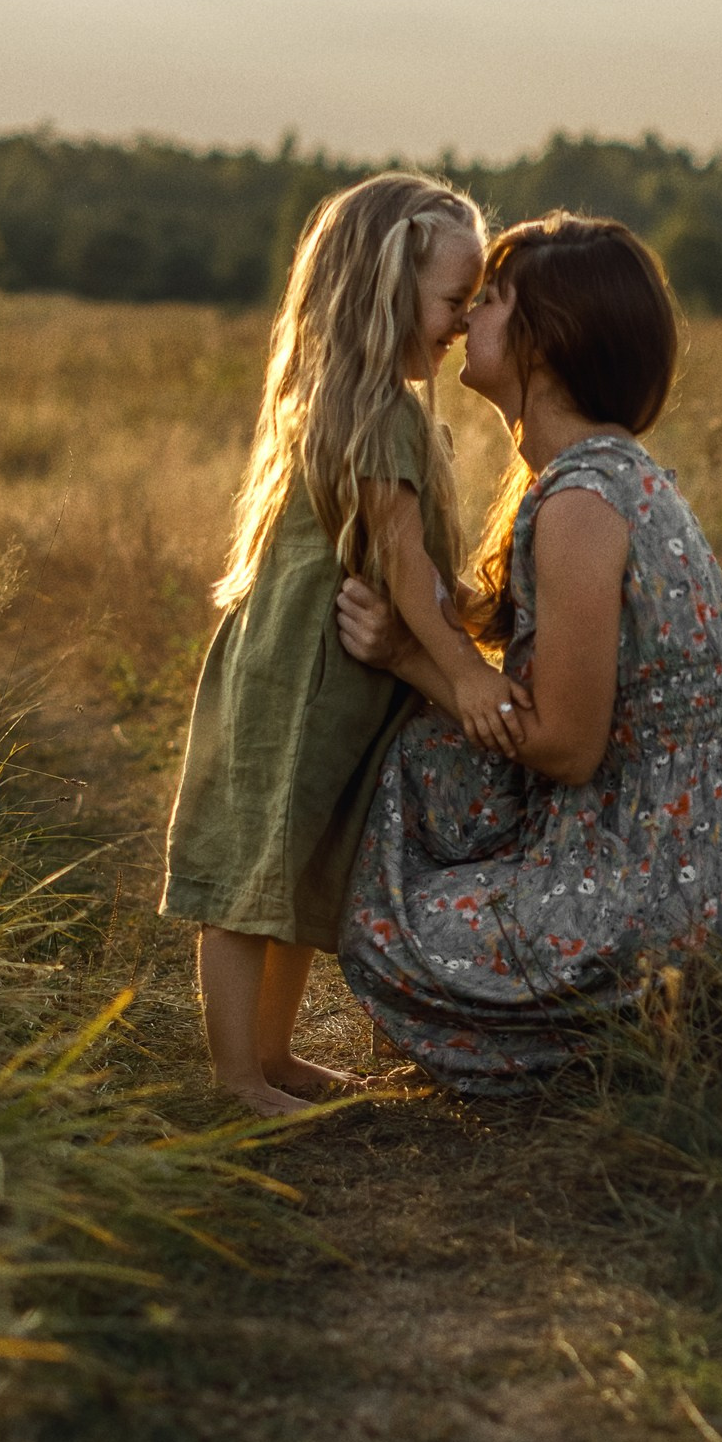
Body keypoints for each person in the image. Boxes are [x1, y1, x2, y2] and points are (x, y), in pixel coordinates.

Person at [335, 212, 722, 1086]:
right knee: (429, 760)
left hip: (676, 878)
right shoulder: (603, 473)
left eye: (489, 302)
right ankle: (631, 1029)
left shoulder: (580, 505)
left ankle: (613, 1051)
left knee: (384, 919)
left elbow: (566, 744)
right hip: (717, 853)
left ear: (543, 342)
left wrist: (408, 655)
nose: (466, 321)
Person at [160, 171, 523, 1115]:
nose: (461, 321)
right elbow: (402, 561)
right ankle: (238, 1078)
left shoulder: (371, 403)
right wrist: (465, 677)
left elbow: (420, 568)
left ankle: (275, 1059)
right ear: (386, 290)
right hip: (295, 675)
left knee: (301, 864)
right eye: (453, 300)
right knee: (254, 869)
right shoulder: (370, 407)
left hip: (331, 680)